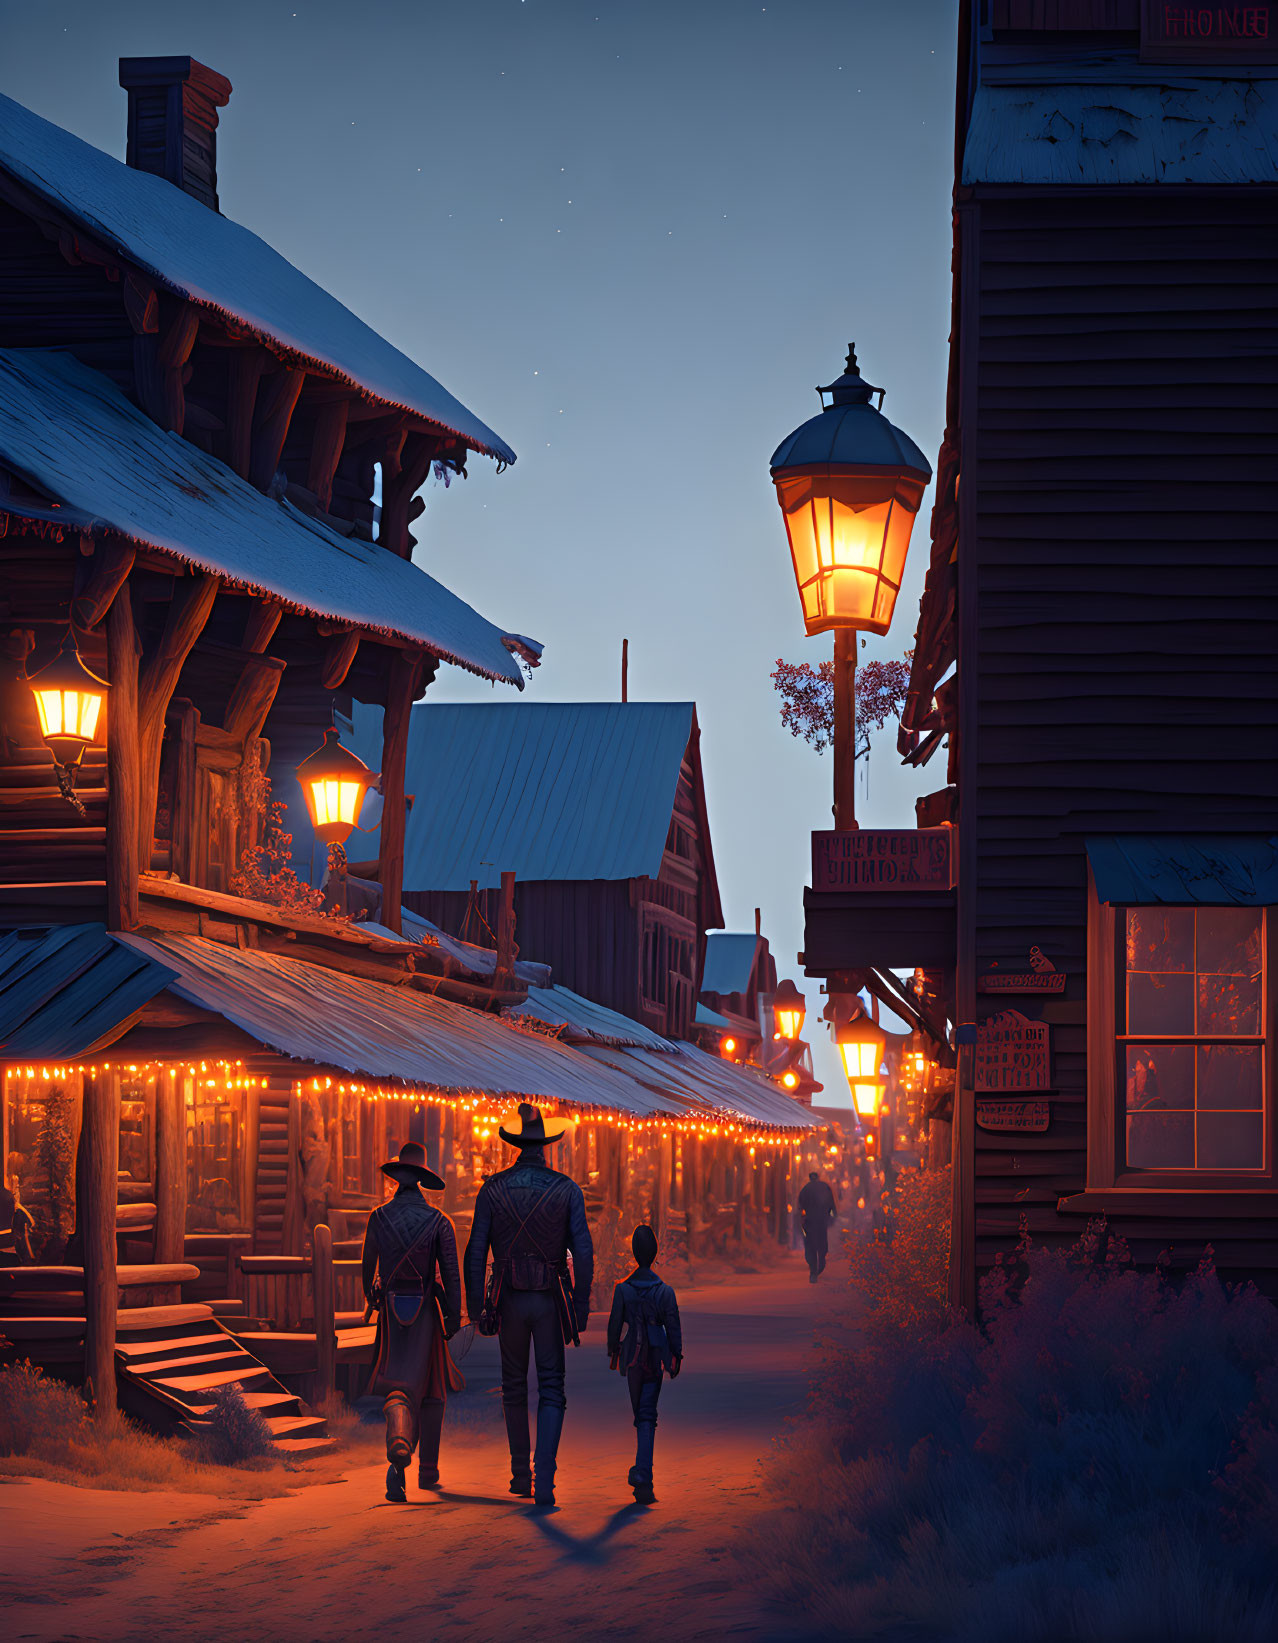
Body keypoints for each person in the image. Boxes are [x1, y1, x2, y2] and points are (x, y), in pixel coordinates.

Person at [464, 1103, 593, 1507]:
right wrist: (582, 1303)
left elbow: (474, 1252)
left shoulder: (492, 1189)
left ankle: (521, 1474)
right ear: (547, 1144)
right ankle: (547, 1478)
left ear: (516, 1144)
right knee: (553, 1388)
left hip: (509, 1298)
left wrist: (475, 1308)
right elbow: (584, 1253)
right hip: (552, 1299)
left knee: (514, 1387)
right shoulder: (567, 1189)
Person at [362, 1141, 463, 1503]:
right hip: (426, 1313)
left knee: (397, 1382)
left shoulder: (378, 1218)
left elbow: (366, 1270)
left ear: (398, 1177)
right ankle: (427, 1468)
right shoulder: (440, 1222)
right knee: (432, 1386)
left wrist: (373, 1299)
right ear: (421, 1178)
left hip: (391, 1312)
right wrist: (453, 1316)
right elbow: (451, 1276)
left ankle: (400, 1450)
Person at [606, 1224, 682, 1505]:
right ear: (655, 1252)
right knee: (647, 1413)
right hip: (655, 1355)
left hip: (632, 1358)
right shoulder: (665, 1291)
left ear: (634, 1253)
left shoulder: (623, 1290)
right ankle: (641, 1474)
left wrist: (613, 1349)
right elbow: (673, 1326)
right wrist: (676, 1356)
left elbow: (615, 1325)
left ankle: (643, 1474)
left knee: (642, 1412)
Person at [797, 1171, 837, 1283]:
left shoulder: (805, 1189)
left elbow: (800, 1206)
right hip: (822, 1220)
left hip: (810, 1221)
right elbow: (831, 1204)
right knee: (822, 1242)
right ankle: (821, 1262)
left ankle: (813, 1271)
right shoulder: (825, 1187)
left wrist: (801, 1219)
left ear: (810, 1178)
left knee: (810, 1245)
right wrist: (832, 1217)